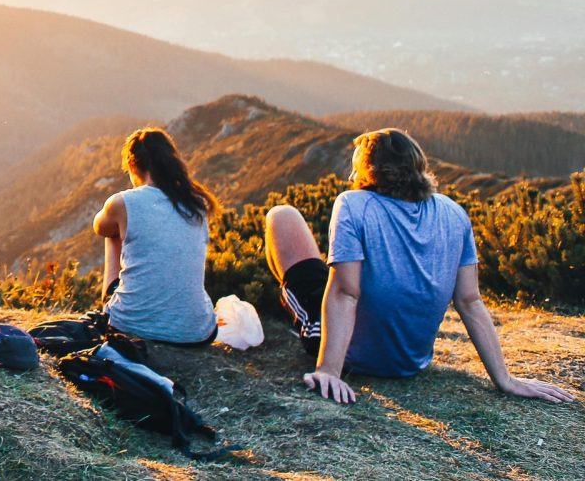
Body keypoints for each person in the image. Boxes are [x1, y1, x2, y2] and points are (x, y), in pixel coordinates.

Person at [264, 129, 576, 405]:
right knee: (332, 269)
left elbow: (346, 292)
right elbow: (469, 300)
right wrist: (505, 380)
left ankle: (297, 321)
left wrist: (328, 371)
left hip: (355, 357)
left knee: (282, 216)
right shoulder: (454, 213)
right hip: (411, 361)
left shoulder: (353, 204)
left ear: (368, 172)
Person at [91, 128, 219, 344]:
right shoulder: (197, 203)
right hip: (197, 333)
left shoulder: (123, 202)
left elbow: (100, 227)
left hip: (129, 324)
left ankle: (116, 304)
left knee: (113, 233)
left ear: (133, 166)